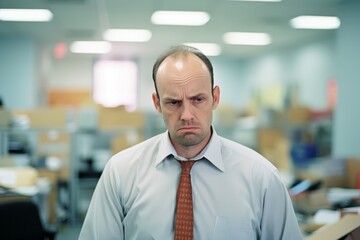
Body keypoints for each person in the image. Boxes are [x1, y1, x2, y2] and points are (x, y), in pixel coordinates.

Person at [79, 45, 303, 239]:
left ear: (215, 98)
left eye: (198, 99)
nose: (187, 114)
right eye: (174, 102)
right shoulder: (121, 172)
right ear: (157, 103)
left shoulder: (261, 178)